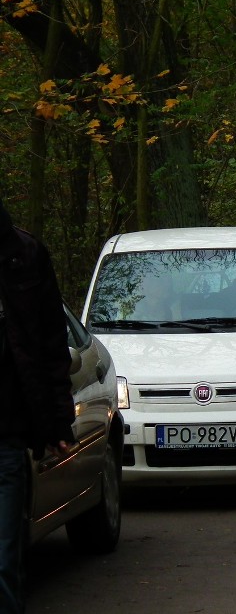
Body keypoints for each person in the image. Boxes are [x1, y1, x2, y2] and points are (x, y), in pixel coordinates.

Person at [0, 199, 76, 613]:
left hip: (7, 440)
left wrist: (57, 425)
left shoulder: (25, 256)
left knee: (4, 561)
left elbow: (49, 345)